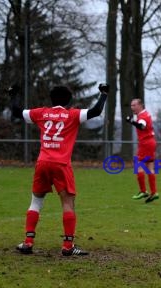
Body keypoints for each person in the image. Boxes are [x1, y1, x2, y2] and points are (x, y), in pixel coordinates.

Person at [13, 83, 109, 256]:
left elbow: (16, 112)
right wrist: (103, 94)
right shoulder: (72, 115)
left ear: (52, 99)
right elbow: (95, 111)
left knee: (36, 202)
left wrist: (13, 95)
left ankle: (28, 243)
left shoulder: (41, 113)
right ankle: (67, 246)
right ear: (69, 100)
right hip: (61, 165)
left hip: (42, 163)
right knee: (68, 203)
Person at [125, 98, 158, 203]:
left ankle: (143, 191)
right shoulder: (146, 114)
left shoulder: (142, 116)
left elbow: (142, 126)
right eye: (131, 105)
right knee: (150, 168)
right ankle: (154, 193)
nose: (132, 107)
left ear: (140, 105)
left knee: (138, 166)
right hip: (151, 142)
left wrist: (131, 121)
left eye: (134, 105)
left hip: (145, 143)